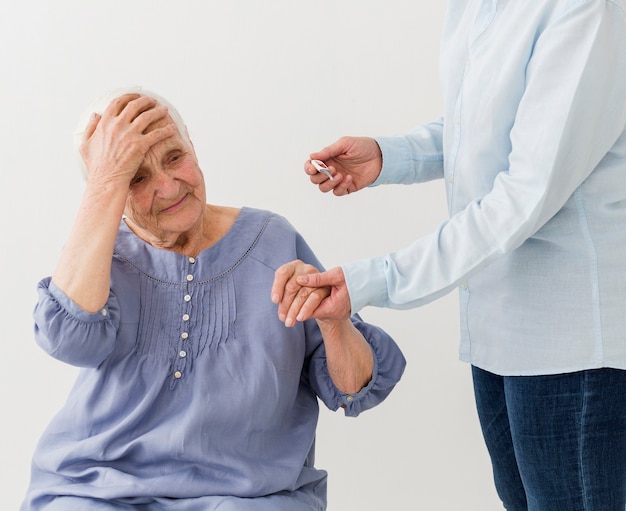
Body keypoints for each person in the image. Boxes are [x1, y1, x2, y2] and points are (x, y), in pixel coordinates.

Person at [272, 1, 626, 509]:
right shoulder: (474, 8)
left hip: (570, 342)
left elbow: (524, 196)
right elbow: (485, 121)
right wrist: (391, 156)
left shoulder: (584, 10)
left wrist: (373, 281)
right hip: (497, 332)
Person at [21, 88, 406, 511]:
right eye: (136, 177)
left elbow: (352, 390)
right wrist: (105, 178)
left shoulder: (272, 239)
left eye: (173, 157)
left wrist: (334, 322)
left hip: (247, 496)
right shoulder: (101, 253)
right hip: (98, 489)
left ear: (193, 146)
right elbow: (69, 340)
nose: (168, 189)